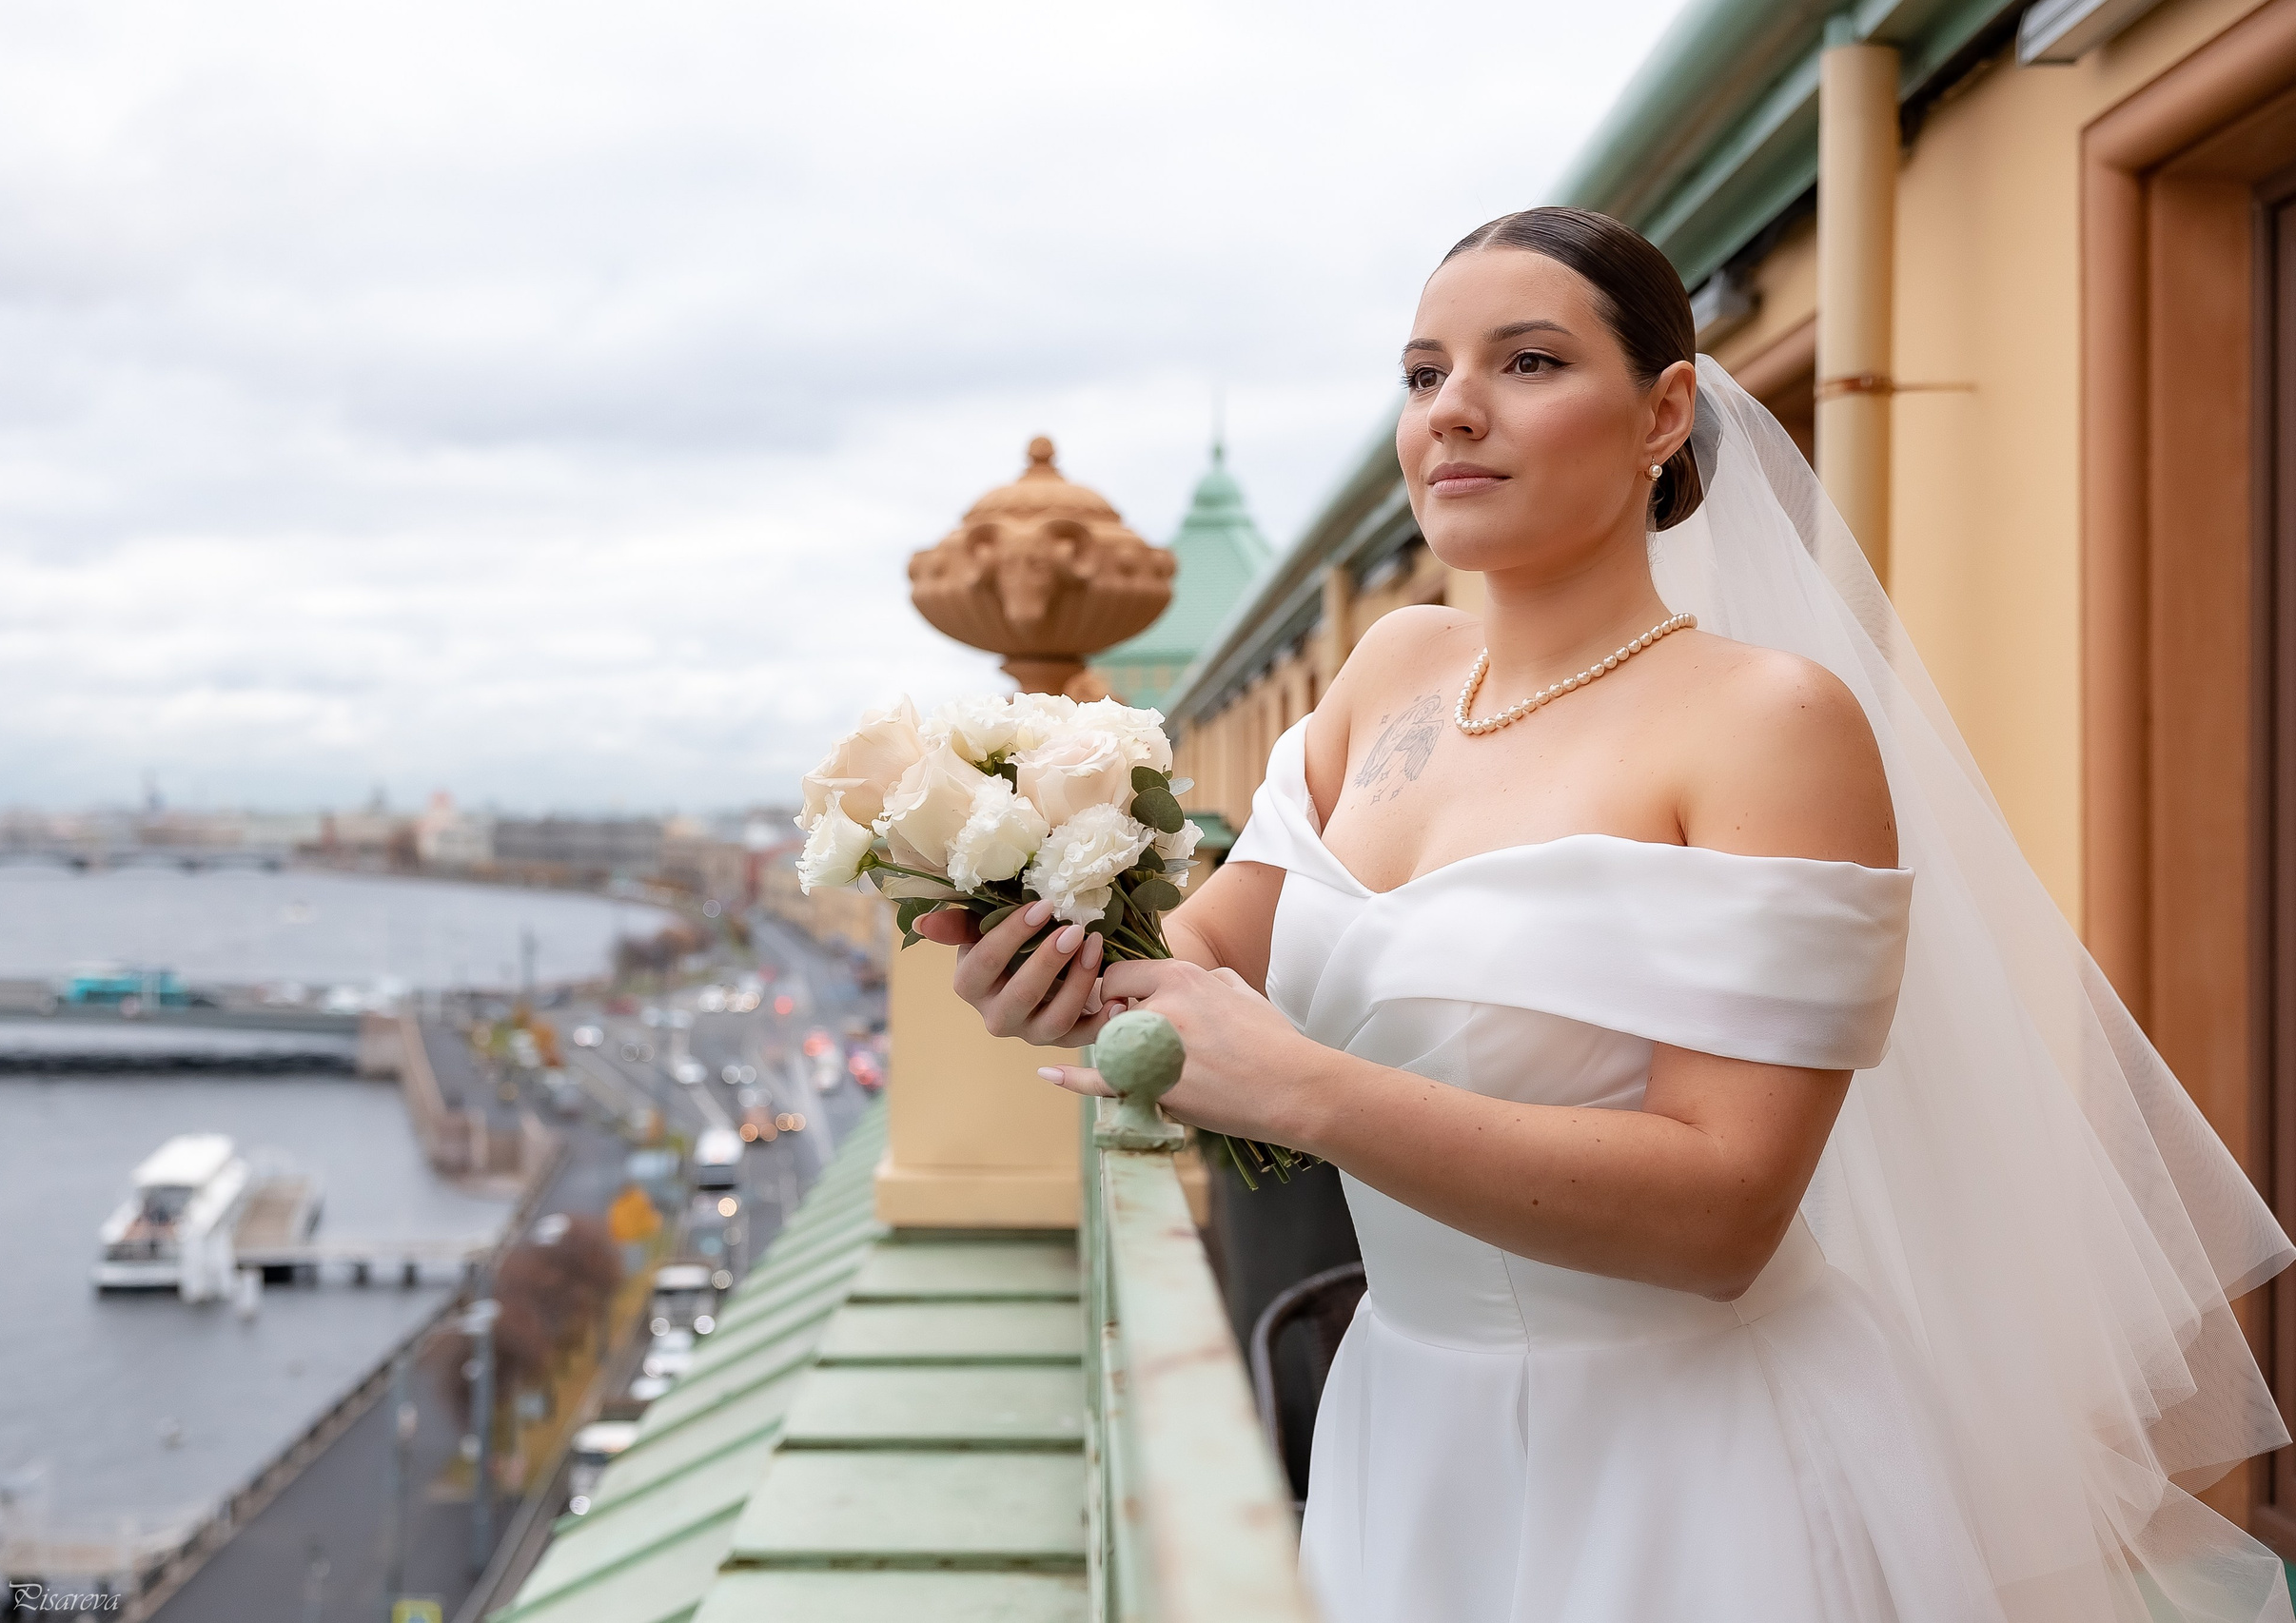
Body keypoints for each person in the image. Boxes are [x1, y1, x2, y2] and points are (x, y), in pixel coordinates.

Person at [916, 206, 2296, 1622]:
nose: (1453, 411)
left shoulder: (1769, 724)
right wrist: (1061, 963)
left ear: (1666, 411)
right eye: (1421, 374)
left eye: (1525, 362)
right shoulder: (1391, 667)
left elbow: (1725, 1214)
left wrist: (1308, 1091)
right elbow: (1212, 947)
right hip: (1404, 1421)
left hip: (1690, 1464)